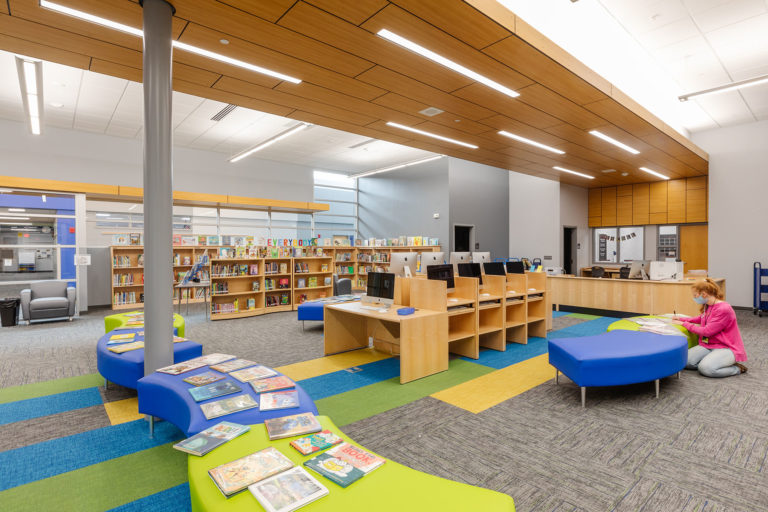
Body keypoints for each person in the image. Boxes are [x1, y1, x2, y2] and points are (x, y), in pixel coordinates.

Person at [671, 278, 747, 377]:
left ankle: (736, 369)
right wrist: (682, 319)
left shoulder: (724, 309)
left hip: (726, 347)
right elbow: (702, 318)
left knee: (706, 369)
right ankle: (715, 361)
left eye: (695, 295)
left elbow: (706, 331)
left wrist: (683, 324)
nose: (694, 298)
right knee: (685, 361)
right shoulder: (709, 305)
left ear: (704, 294)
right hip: (708, 345)